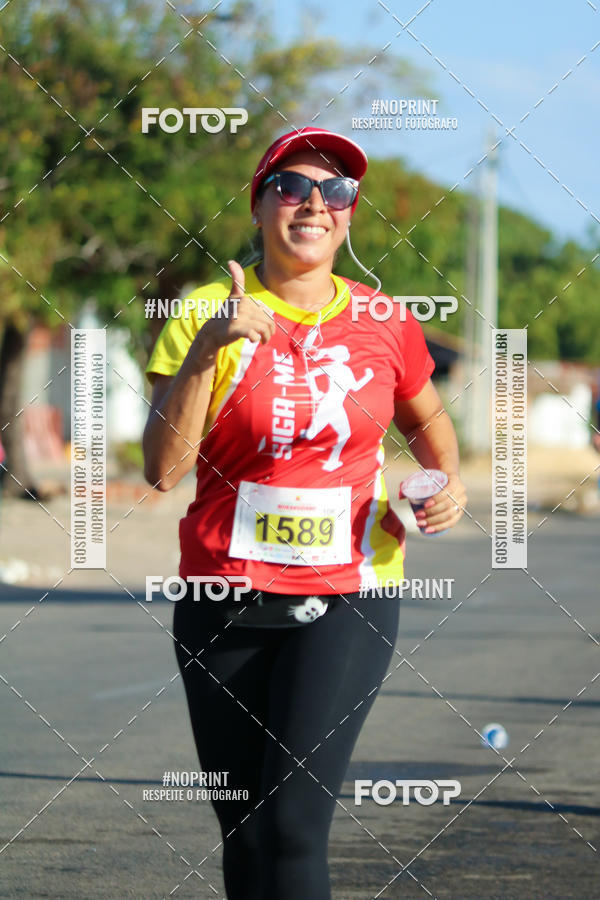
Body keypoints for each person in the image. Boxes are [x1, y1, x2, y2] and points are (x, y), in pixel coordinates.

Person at [143, 127, 467, 899]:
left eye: (336, 191)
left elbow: (427, 419)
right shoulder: (204, 311)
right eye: (291, 186)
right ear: (259, 207)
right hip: (222, 594)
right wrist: (206, 353)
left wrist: (442, 481)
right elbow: (161, 469)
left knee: (292, 825)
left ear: (350, 217)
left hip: (347, 594)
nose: (314, 203)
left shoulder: (385, 319)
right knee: (246, 832)